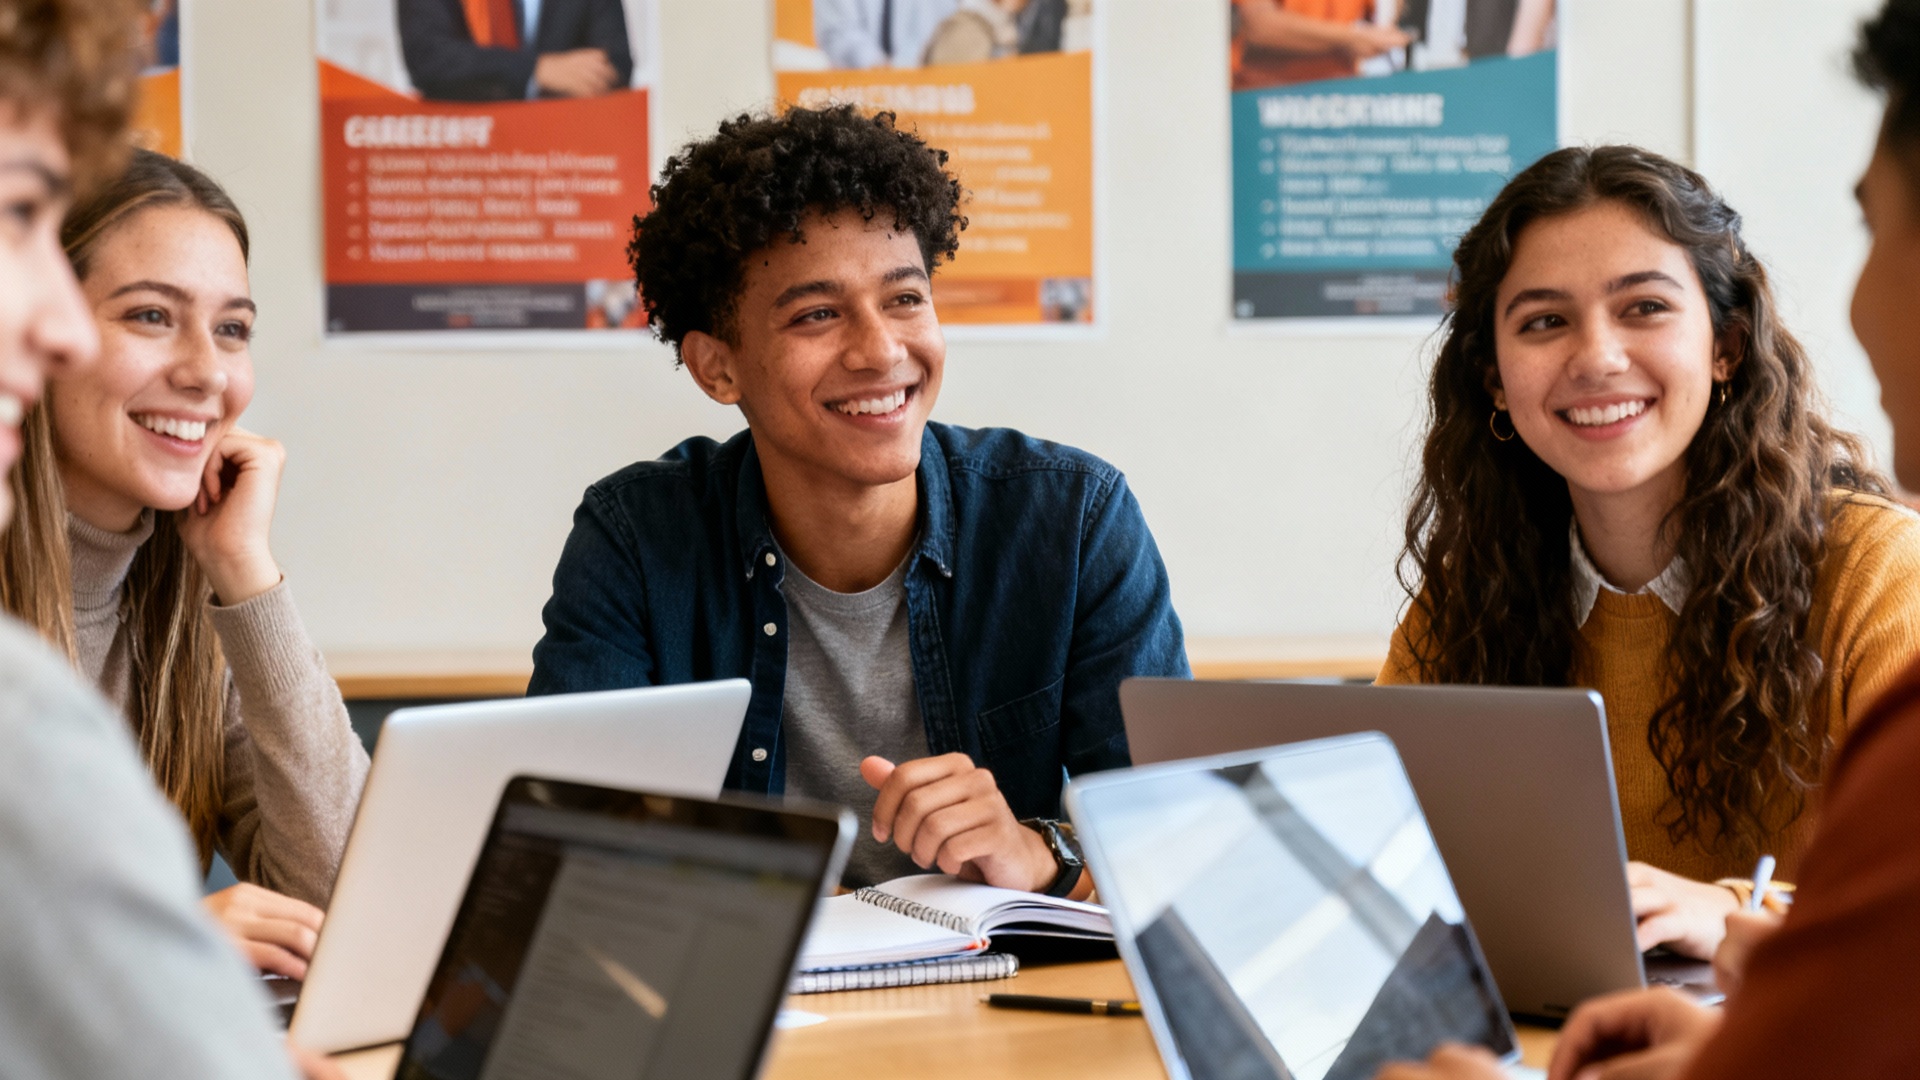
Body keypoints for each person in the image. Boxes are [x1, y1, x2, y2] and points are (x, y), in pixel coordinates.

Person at [1375, 3, 1920, 1077]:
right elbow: (1393, 859)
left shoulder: (1876, 571)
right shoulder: (1470, 589)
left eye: (1643, 309)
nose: (1597, 357)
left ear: (1725, 347)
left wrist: (1722, 914)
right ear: (1493, 380)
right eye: (1542, 322)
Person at [530, 105, 1188, 894]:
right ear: (717, 369)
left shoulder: (1074, 519)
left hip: (1006, 998)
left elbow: (1179, 846)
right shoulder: (636, 538)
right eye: (817, 314)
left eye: (905, 299)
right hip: (751, 994)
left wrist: (1038, 853)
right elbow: (567, 844)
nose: (881, 351)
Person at [0, 2, 339, 1077]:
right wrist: (170, 951)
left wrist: (248, 580)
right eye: (151, 316)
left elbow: (348, 895)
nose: (207, 371)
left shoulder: (193, 591)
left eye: (231, 327)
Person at [397, 0, 634, 102]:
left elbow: (616, 60)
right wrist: (535, 70)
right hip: (465, 165)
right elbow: (428, 57)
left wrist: (591, 75)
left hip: (568, 160)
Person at [1231, 0, 1413, 90]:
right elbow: (1261, 26)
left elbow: (1384, 18)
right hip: (1262, 94)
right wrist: (1351, 38)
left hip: (1336, 94)